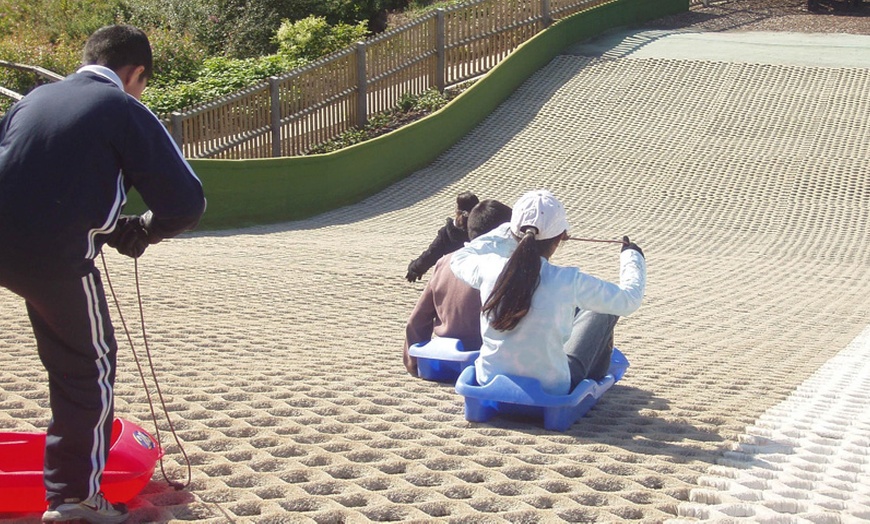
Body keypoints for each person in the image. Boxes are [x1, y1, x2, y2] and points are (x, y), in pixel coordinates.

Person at [0, 25, 206, 524]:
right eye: (142, 84)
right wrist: (143, 232)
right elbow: (186, 202)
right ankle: (74, 498)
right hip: (55, 258)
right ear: (134, 74)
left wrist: (111, 229)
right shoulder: (123, 107)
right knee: (86, 367)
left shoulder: (35, 99)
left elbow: (39, 177)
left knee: (67, 352)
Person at [450, 190, 645, 396]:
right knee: (603, 311)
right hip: (552, 388)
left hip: (488, 378)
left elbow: (460, 257)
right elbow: (629, 300)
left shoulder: (489, 267)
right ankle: (596, 375)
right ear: (560, 238)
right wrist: (633, 257)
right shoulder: (568, 280)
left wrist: (509, 229)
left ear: (515, 233)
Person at [403, 199, 512, 375]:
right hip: (484, 360)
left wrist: (414, 362)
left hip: (443, 362)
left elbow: (417, 320)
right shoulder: (505, 266)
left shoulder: (445, 262)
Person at [405, 191, 479, 282]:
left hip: (455, 278)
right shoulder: (485, 229)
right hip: (479, 276)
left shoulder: (447, 232)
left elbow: (432, 253)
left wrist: (415, 268)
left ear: (457, 209)